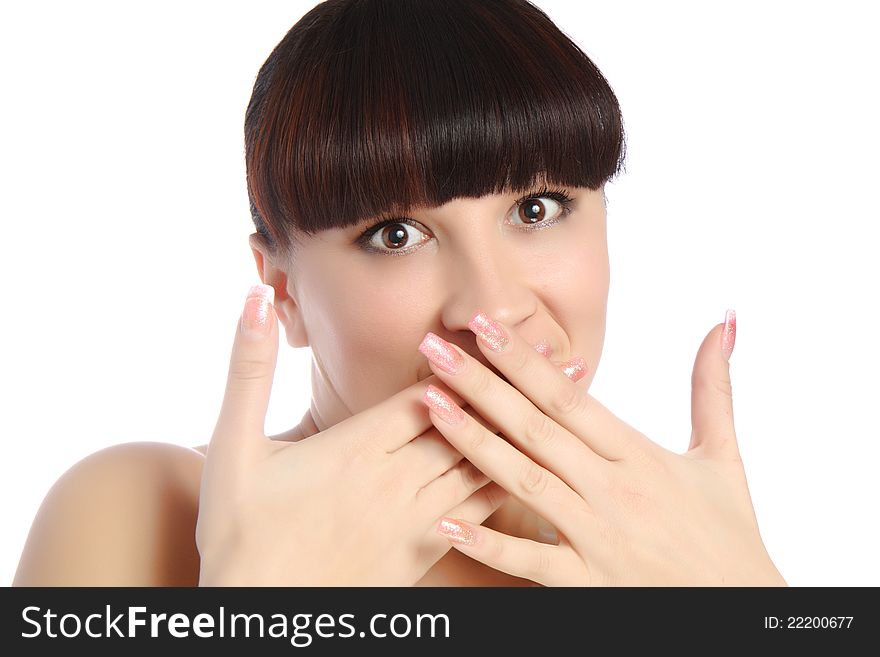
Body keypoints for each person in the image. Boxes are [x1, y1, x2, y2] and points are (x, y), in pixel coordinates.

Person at [14, 0, 786, 586]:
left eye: (537, 208)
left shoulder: (676, 543)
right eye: (395, 234)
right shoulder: (138, 512)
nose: (490, 311)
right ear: (282, 290)